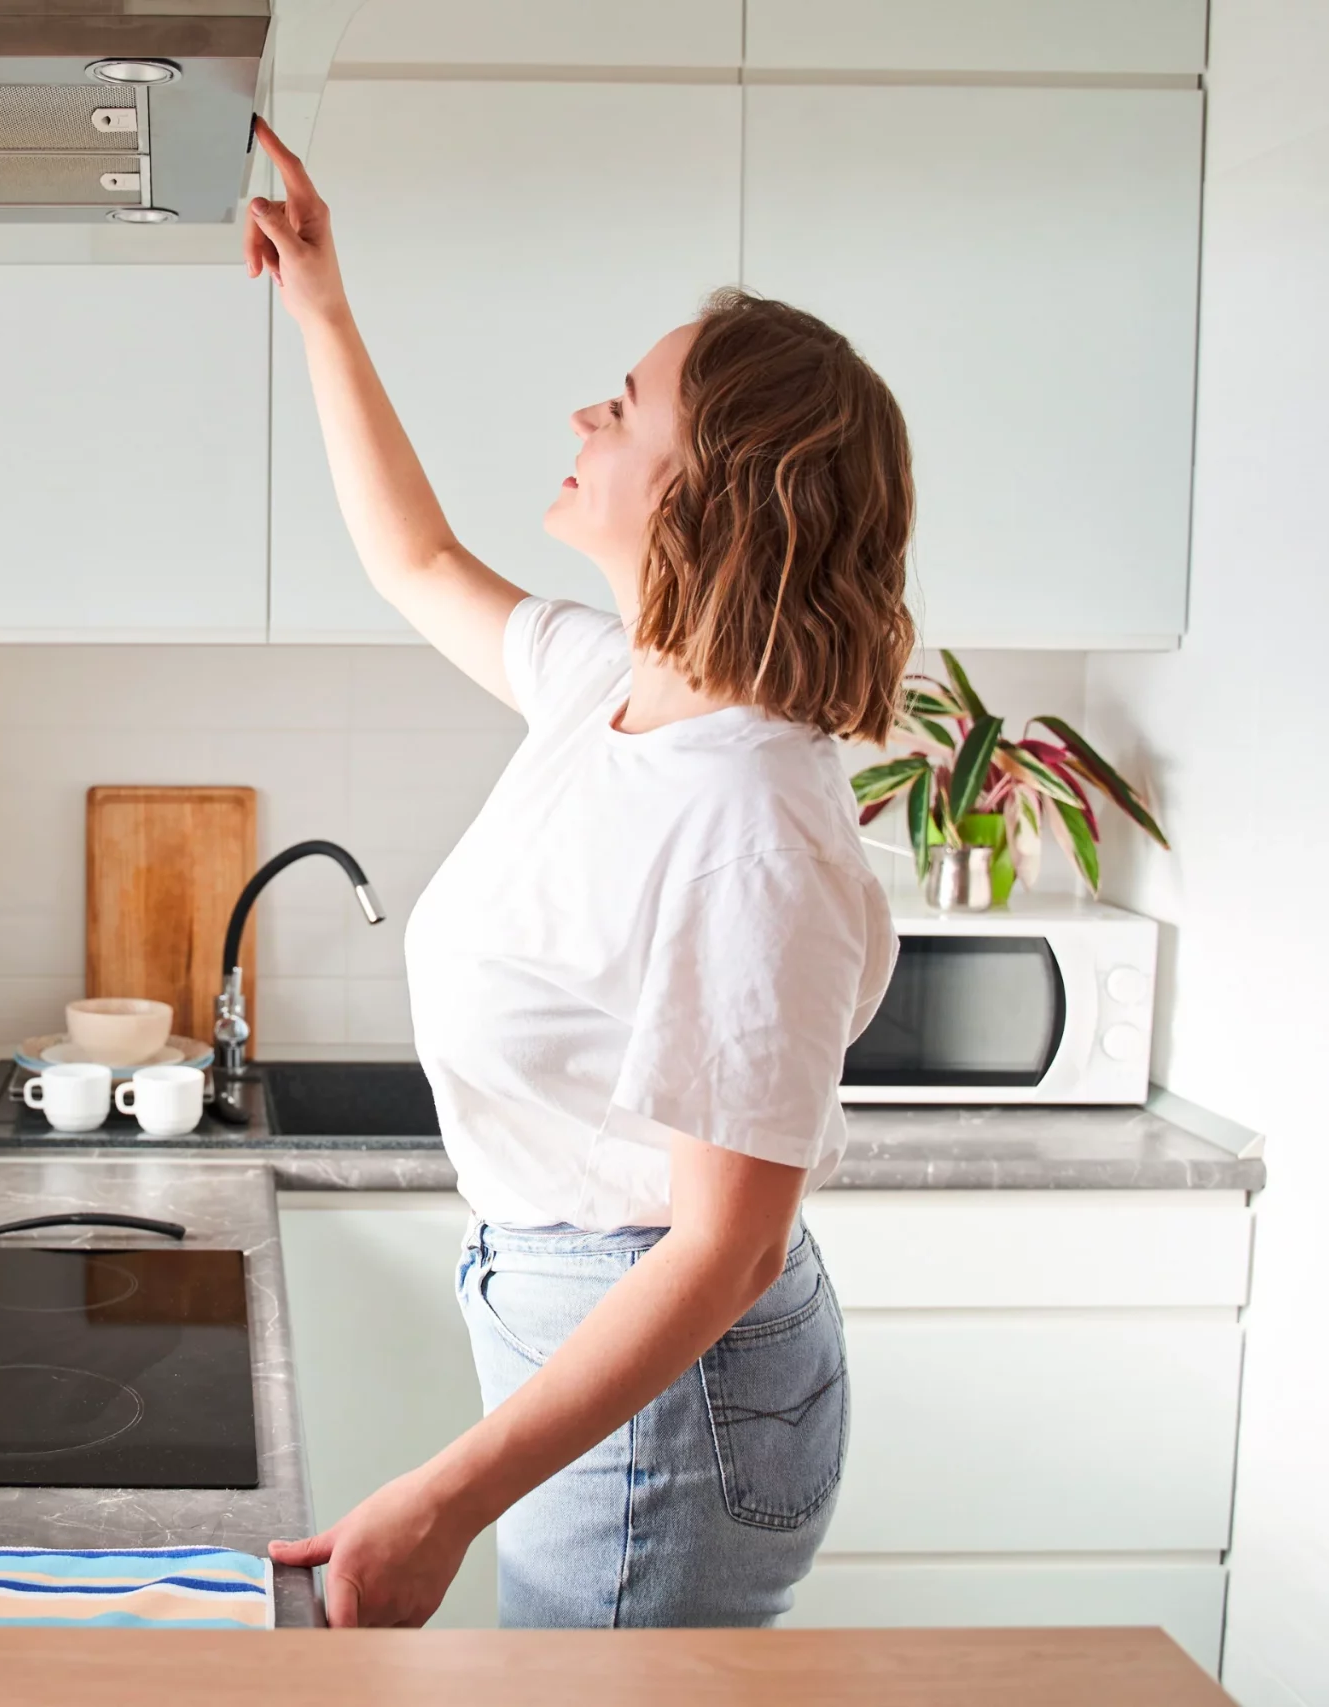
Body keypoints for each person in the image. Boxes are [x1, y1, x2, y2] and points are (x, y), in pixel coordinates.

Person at [247, 118, 911, 1630]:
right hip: (582, 1330)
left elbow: (728, 1245)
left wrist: (439, 1500)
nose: (583, 417)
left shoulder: (752, 817)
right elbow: (415, 561)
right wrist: (325, 309)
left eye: (622, 407)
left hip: (674, 1397)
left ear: (705, 492)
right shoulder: (614, 684)